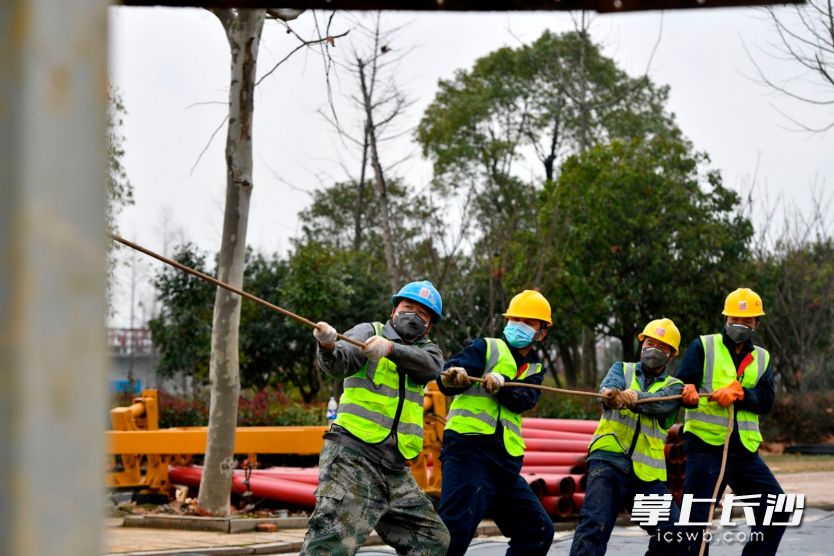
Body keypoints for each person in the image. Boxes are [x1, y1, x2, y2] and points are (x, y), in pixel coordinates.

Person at [300, 280, 450, 556]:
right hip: (352, 457)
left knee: (433, 540)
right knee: (330, 546)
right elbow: (341, 362)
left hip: (395, 469)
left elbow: (430, 367)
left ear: (429, 325)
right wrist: (328, 346)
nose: (414, 315)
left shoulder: (429, 352)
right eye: (408, 307)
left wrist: (391, 350)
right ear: (394, 309)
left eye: (423, 314)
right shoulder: (368, 332)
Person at [436, 289, 555, 556]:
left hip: (505, 465)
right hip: (468, 454)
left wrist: (501, 386)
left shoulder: (535, 367)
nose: (519, 326)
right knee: (451, 537)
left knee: (537, 531)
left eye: (528, 322)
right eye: (515, 319)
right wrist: (453, 375)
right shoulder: (485, 347)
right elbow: (449, 376)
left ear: (542, 333)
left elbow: (524, 399)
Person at [677, 288, 785, 555]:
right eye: (736, 318)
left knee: (777, 512)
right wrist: (686, 393)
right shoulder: (703, 346)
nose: (741, 325)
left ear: (757, 323)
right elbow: (681, 386)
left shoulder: (762, 357)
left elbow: (766, 400)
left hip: (744, 453)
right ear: (725, 319)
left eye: (747, 320)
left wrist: (741, 393)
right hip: (705, 449)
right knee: (696, 526)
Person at [569, 318, 684, 556]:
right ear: (642, 344)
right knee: (593, 530)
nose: (654, 349)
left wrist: (634, 397)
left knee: (674, 533)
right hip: (609, 464)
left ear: (671, 354)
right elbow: (609, 390)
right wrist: (611, 396)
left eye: (662, 346)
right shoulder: (621, 369)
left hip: (646, 479)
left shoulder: (675, 387)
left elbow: (660, 407)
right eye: (650, 342)